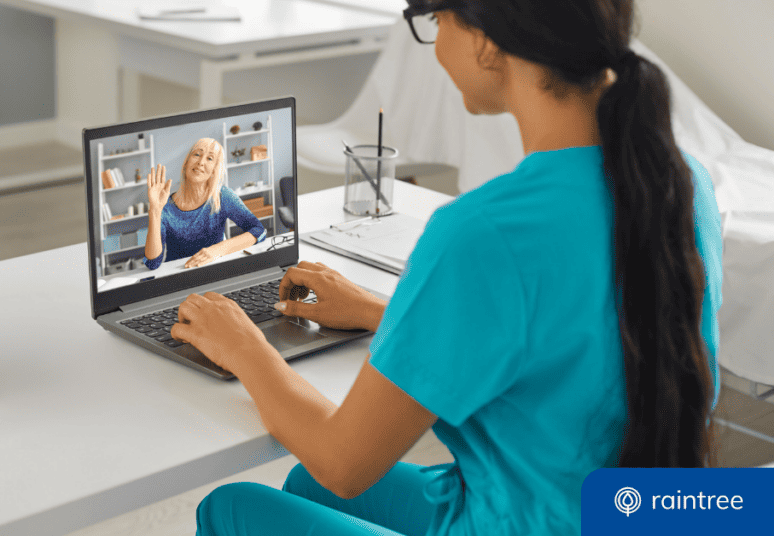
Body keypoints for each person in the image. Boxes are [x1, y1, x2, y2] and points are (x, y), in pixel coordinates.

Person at [171, 0, 723, 534]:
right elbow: (573, 335)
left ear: (485, 42)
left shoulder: (484, 230)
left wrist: (245, 346)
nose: (434, 45)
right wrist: (377, 311)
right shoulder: (682, 182)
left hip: (522, 521)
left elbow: (344, 464)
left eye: (435, 20)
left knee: (234, 505)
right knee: (302, 483)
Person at [144, 138, 266, 270]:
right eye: (197, 154)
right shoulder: (165, 206)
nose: (201, 162)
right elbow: (152, 263)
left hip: (215, 272)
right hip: (179, 277)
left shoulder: (222, 196)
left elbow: (259, 231)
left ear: (214, 169)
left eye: (209, 158)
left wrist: (218, 250)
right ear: (186, 163)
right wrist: (155, 210)